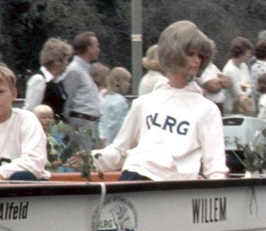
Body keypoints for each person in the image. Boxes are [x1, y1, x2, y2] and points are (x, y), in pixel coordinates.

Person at [89, 21, 226, 181]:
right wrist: (89, 159)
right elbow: (119, 151)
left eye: (200, 56)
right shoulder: (144, 103)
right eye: (190, 54)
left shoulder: (207, 109)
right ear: (174, 53)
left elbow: (215, 166)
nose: (197, 60)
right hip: (133, 177)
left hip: (173, 191)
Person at [60, 31, 102, 149]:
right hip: (81, 122)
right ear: (88, 48)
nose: (99, 50)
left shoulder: (87, 70)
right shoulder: (74, 70)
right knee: (81, 163)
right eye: (96, 46)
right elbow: (67, 99)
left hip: (92, 123)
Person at [24, 38, 72, 117]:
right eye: (66, 60)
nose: (67, 63)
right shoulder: (39, 79)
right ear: (57, 61)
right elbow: (30, 109)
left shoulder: (56, 81)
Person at [196, 40, 232, 112]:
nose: (216, 52)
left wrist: (217, 81)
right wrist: (221, 81)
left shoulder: (213, 67)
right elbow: (213, 87)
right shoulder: (200, 68)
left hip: (220, 106)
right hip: (208, 107)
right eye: (213, 49)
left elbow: (229, 82)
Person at [98, 67, 131, 145]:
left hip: (104, 139)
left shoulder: (106, 99)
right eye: (127, 81)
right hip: (115, 141)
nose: (129, 85)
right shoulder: (121, 101)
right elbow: (120, 124)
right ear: (119, 83)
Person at [222, 37, 254, 112]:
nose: (250, 55)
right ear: (241, 54)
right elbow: (239, 94)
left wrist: (245, 86)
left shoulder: (244, 67)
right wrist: (248, 87)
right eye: (248, 52)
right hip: (231, 110)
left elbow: (247, 85)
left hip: (245, 110)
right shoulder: (229, 70)